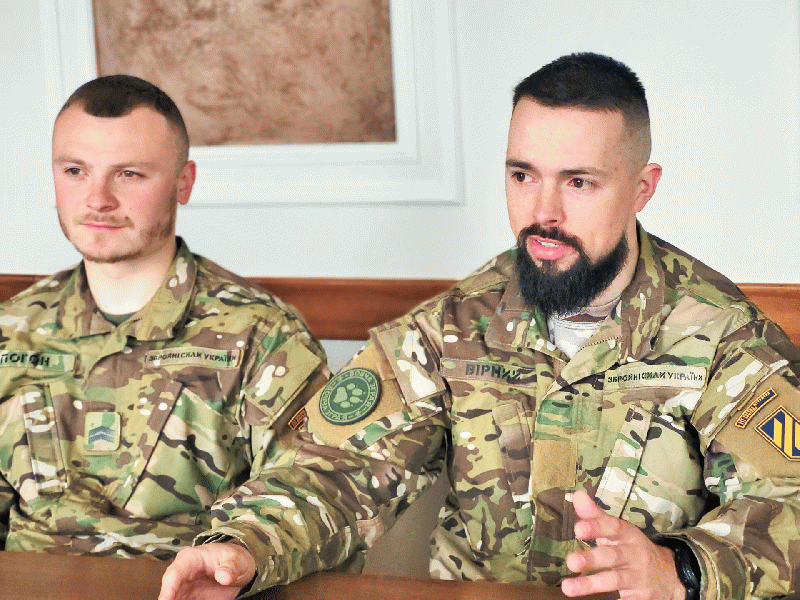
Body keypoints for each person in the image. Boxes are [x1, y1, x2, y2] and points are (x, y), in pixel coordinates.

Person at [160, 53, 800, 600]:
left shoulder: (722, 336)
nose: (543, 212)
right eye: (522, 175)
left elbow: (790, 503)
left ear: (642, 188)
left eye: (579, 182)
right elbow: (334, 469)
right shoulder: (453, 325)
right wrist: (243, 545)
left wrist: (680, 569)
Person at [0, 75, 329, 564]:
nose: (97, 199)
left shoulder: (262, 335)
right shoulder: (11, 329)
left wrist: (238, 556)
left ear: (183, 182)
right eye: (74, 170)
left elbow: (314, 499)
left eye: (129, 174)